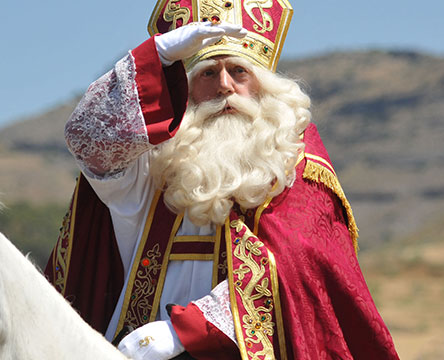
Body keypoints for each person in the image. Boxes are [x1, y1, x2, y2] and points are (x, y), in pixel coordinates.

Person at [44, 1, 399, 359]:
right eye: (207, 74)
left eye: (239, 71)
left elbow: (298, 269)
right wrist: (159, 57)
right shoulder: (153, 166)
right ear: (186, 89)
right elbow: (85, 137)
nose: (224, 86)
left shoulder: (296, 168)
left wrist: (186, 330)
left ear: (263, 85)